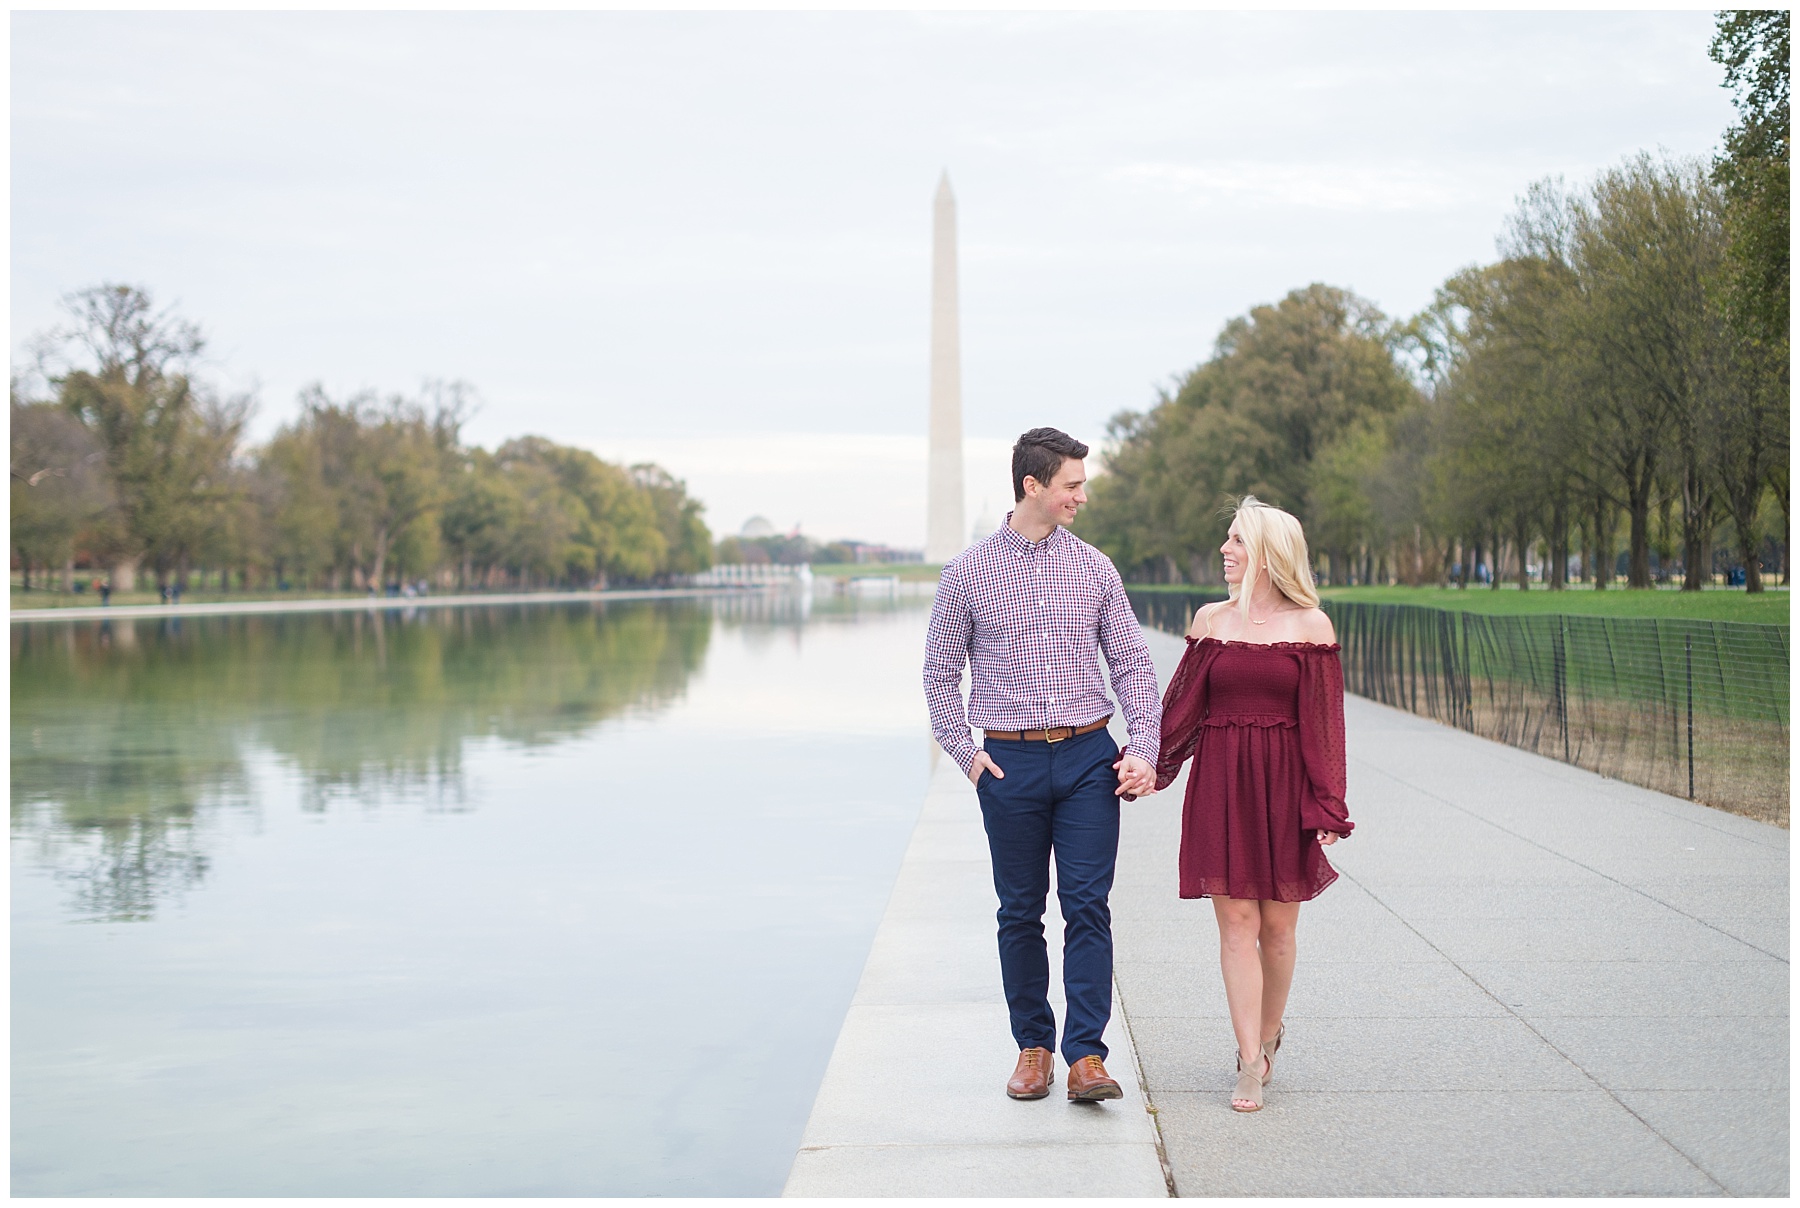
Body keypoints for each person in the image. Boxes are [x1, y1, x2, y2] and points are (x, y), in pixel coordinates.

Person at [923, 427, 1162, 1103]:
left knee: (1087, 905)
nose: (1082, 496)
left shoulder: (1095, 569)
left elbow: (1134, 667)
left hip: (1089, 758)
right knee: (1020, 911)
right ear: (1033, 485)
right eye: (1072, 485)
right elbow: (939, 676)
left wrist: (1142, 748)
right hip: (1009, 764)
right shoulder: (966, 573)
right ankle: (1034, 1048)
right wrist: (969, 756)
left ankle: (1086, 1056)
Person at [1153, 496, 1353, 1114]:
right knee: (1237, 922)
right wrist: (1150, 763)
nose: (1225, 549)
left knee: (1278, 929)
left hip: (1286, 785)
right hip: (1222, 782)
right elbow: (1181, 709)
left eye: (1238, 540)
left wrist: (1328, 802)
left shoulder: (1312, 626)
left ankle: (1269, 1036)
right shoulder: (1211, 620)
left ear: (1268, 553)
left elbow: (1324, 724)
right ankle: (1248, 1061)